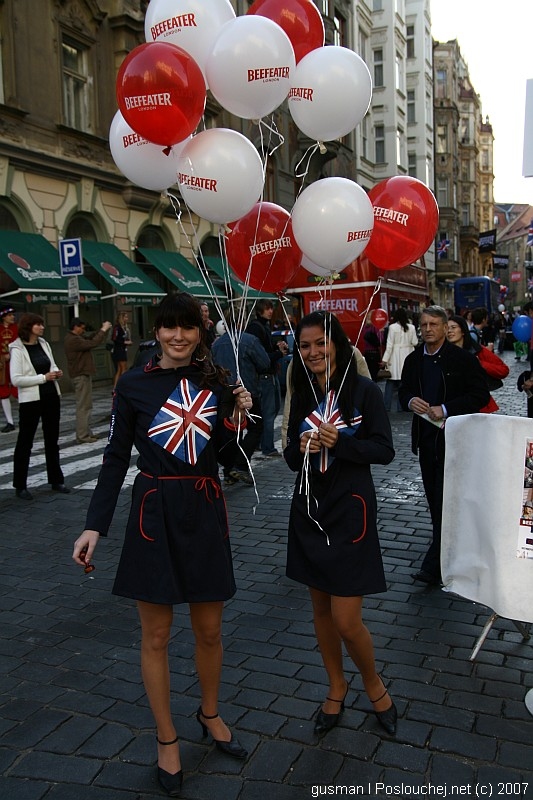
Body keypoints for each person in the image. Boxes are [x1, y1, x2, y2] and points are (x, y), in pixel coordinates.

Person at [72, 293, 252, 796]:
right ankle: (166, 737)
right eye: (169, 328)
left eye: (187, 329)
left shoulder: (215, 381)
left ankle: (210, 713)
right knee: (155, 636)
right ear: (158, 331)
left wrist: (239, 418)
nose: (178, 337)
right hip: (153, 513)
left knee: (210, 631)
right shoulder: (132, 384)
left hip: (204, 510)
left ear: (200, 332)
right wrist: (95, 526)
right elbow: (113, 457)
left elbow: (228, 453)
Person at [284, 311, 397, 738]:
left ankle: (374, 686)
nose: (312, 352)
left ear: (338, 344)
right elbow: (292, 460)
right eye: (305, 345)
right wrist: (300, 446)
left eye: (320, 343)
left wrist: (342, 442)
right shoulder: (302, 390)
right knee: (320, 610)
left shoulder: (364, 391)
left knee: (347, 619)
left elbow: (384, 450)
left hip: (351, 511)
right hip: (310, 508)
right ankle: (336, 686)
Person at [398, 306, 490, 586]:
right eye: (423, 324)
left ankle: (435, 565)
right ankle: (451, 552)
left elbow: (480, 395)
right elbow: (404, 392)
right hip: (426, 442)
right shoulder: (414, 360)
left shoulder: (461, 359)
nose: (427, 329)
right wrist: (411, 401)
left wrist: (447, 408)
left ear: (445, 327)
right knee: (435, 502)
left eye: (433, 324)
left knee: (444, 501)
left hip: (455, 441)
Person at [9, 313, 69, 500]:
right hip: (31, 400)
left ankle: (56, 480)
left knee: (52, 440)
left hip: (51, 396)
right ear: (29, 327)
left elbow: (50, 364)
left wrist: (55, 372)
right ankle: (20, 484)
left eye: (42, 324)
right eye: (38, 324)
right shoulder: (17, 348)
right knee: (25, 441)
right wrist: (44, 378)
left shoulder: (44, 344)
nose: (42, 327)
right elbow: (16, 379)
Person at [211, 310, 270, 485]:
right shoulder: (249, 340)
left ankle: (229, 471)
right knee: (256, 428)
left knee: (232, 433)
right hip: (246, 392)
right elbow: (264, 363)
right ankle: (240, 465)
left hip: (224, 392)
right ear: (241, 322)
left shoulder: (217, 344)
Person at [281, 343, 371, 449]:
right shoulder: (298, 361)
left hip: (350, 444)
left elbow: (368, 400)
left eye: (321, 343)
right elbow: (289, 407)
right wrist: (288, 446)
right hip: (310, 451)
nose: (314, 353)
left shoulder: (353, 354)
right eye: (305, 345)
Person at [246, 299, 288, 457]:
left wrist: (277, 349)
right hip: (265, 376)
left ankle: (261, 444)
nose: (270, 311)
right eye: (267, 308)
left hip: (268, 375)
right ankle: (268, 447)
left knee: (269, 411)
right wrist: (278, 353)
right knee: (268, 413)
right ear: (260, 310)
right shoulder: (256, 327)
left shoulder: (263, 326)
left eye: (271, 308)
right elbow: (260, 356)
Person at [446, 315, 509, 412]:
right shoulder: (444, 352)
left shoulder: (477, 350)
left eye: (453, 327)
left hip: (478, 406)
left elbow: (503, 370)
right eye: (447, 328)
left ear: (463, 331)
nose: (449, 331)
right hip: (453, 405)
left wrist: (479, 363)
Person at [64, 317, 112, 443]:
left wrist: (100, 330)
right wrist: (103, 329)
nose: (83, 331)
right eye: (82, 328)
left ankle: (86, 432)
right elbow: (92, 343)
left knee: (86, 405)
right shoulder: (73, 340)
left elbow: (90, 338)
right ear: (76, 327)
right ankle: (82, 435)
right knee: (83, 406)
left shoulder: (76, 338)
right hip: (80, 375)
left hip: (82, 374)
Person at [380, 308, 418, 412]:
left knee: (391, 382)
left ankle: (386, 406)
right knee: (404, 382)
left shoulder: (392, 327)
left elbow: (389, 345)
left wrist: (384, 360)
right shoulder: (412, 327)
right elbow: (415, 342)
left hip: (395, 356)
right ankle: (401, 406)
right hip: (407, 354)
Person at [0, 306, 18, 432]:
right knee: (3, 392)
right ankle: (10, 422)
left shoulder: (17, 329)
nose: (12, 317)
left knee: (19, 389)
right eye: (10, 315)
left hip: (16, 363)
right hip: (2, 365)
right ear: (4, 317)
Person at [110, 312, 132, 389]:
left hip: (122, 349)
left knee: (119, 369)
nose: (127, 319)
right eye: (125, 317)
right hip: (119, 350)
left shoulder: (125, 328)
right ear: (121, 318)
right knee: (123, 368)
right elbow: (114, 339)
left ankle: (115, 387)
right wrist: (124, 342)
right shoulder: (117, 327)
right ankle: (122, 386)